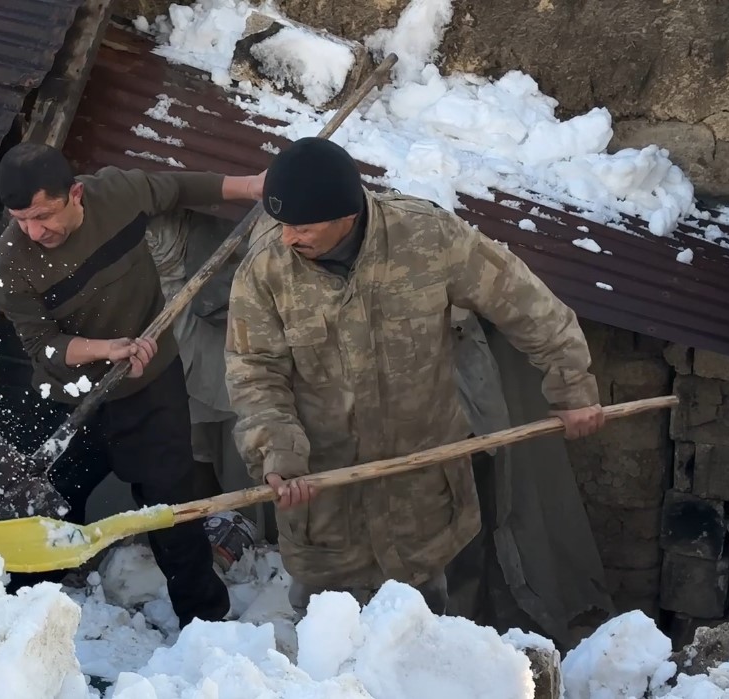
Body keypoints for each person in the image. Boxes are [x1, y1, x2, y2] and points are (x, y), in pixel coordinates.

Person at [223, 137, 606, 616]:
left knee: (430, 632)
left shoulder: (427, 237)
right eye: (282, 224)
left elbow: (528, 305)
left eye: (301, 226)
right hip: (326, 499)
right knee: (325, 636)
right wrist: (277, 448)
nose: (287, 238)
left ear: (345, 214)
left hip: (422, 495)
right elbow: (253, 370)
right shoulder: (266, 269)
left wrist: (572, 386)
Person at [0, 142, 264, 627]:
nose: (33, 231)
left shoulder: (117, 194)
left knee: (172, 509)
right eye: (20, 219)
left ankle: (205, 626)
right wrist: (105, 349)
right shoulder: (9, 265)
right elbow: (42, 345)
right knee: (48, 507)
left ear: (75, 195)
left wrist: (251, 186)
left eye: (43, 216)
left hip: (151, 388)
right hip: (69, 403)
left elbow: (176, 188)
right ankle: (23, 621)